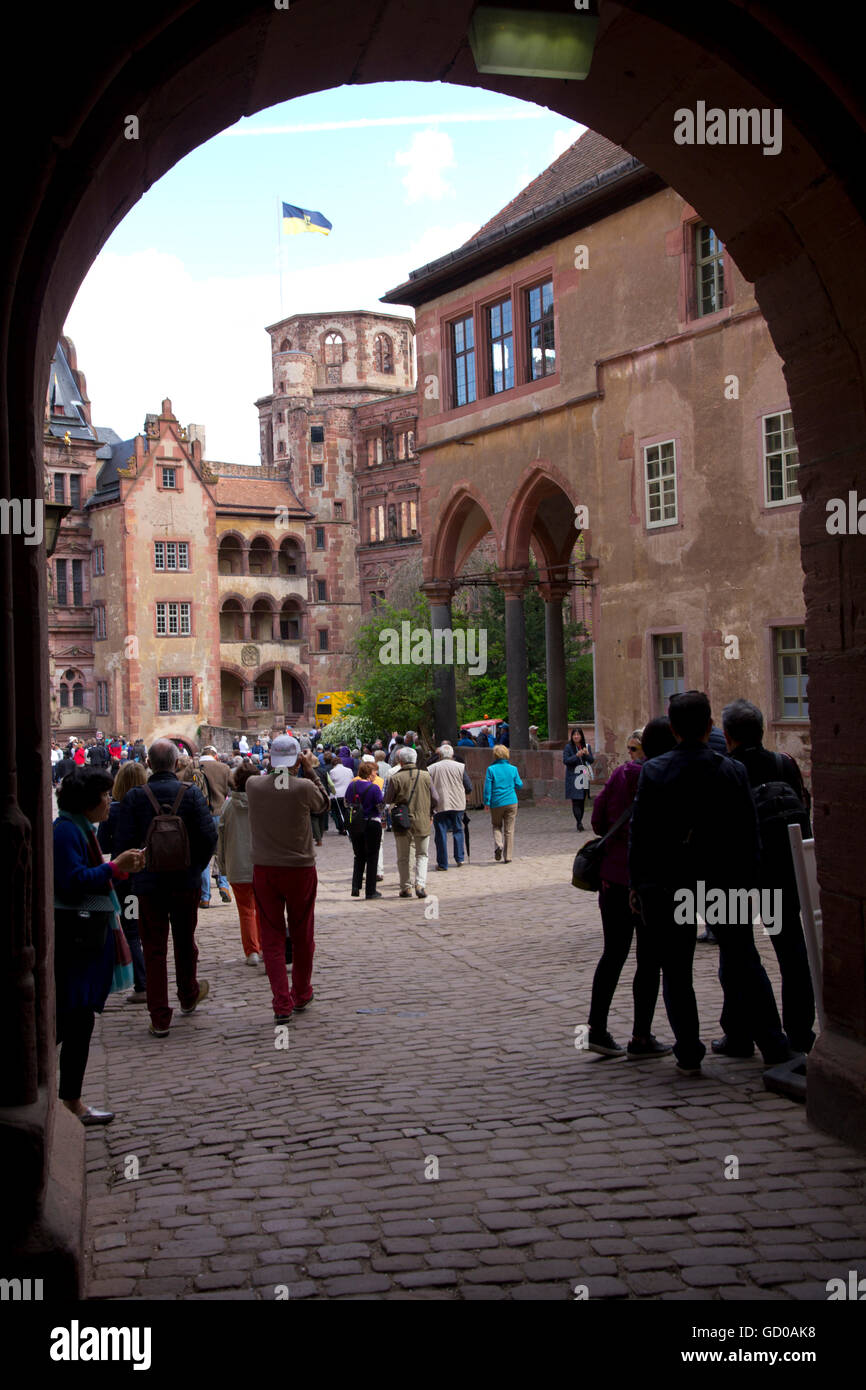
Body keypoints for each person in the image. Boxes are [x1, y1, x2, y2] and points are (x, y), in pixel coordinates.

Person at [629, 690, 792, 1076]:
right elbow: (747, 832)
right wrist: (750, 881)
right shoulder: (730, 770)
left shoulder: (654, 771)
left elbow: (643, 833)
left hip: (671, 881)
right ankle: (772, 1042)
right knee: (743, 958)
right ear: (709, 727)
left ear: (673, 728)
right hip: (724, 878)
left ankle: (688, 1048)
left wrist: (638, 883)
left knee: (677, 967)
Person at [720, 698, 816, 1055]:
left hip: (741, 874)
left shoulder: (726, 769)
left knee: (737, 957)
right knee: (792, 954)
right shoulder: (784, 763)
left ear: (728, 734)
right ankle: (801, 1032)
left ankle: (741, 1033)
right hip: (783, 869)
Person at [54, 768, 145, 1120]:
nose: (109, 801)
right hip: (76, 941)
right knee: (71, 1021)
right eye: (104, 796)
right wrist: (114, 868)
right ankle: (68, 1100)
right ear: (87, 801)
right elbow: (72, 882)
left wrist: (122, 867)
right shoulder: (66, 833)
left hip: (86, 938)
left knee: (78, 1022)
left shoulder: (78, 829)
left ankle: (71, 1099)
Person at [114, 738, 217, 1037]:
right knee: (186, 942)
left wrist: (138, 873)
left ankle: (159, 1016)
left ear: (149, 763)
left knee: (154, 949)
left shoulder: (134, 797)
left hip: (148, 885)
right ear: (175, 763)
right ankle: (187, 995)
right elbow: (209, 837)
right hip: (185, 883)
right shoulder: (192, 794)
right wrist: (194, 868)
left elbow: (123, 844)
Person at [586, 723, 672, 1059]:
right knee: (648, 959)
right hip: (649, 879)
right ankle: (641, 1035)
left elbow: (597, 821)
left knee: (613, 954)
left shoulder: (621, 774)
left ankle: (597, 1028)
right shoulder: (664, 776)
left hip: (612, 879)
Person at [246, 735, 330, 1023]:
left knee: (271, 936)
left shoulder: (254, 785)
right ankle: (302, 991)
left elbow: (262, 777)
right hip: (299, 867)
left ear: (270, 758)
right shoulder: (303, 787)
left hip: (265, 868)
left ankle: (281, 1002)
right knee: (302, 932)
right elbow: (324, 805)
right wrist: (309, 770)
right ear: (297, 759)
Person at [97, 759, 149, 1002]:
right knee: (146, 928)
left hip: (126, 879)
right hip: (150, 877)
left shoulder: (114, 810)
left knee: (131, 929)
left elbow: (104, 844)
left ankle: (142, 983)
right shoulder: (151, 805)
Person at [217, 762, 263, 966]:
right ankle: (265, 946)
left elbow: (221, 838)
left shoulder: (228, 806)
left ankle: (252, 951)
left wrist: (223, 867)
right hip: (262, 863)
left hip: (238, 864)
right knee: (264, 910)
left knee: (245, 910)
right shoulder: (265, 801)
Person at [386, 746, 437, 899]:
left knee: (403, 856)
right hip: (422, 819)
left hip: (402, 820)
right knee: (422, 854)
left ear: (400, 761)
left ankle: (405, 887)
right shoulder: (425, 776)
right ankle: (420, 884)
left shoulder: (395, 778)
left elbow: (388, 799)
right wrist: (430, 811)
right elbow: (436, 799)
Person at [344, 759, 385, 898]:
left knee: (359, 855)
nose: (376, 774)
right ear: (370, 773)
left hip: (356, 824)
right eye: (374, 771)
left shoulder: (352, 786)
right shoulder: (373, 788)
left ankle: (355, 886)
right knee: (372, 856)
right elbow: (380, 806)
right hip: (371, 823)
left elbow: (346, 802)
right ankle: (370, 890)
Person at [198, 746, 232, 908]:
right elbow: (234, 787)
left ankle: (205, 896)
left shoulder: (194, 768)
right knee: (221, 851)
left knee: (203, 856)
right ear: (215, 755)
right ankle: (223, 884)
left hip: (200, 815)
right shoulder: (223, 768)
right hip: (219, 812)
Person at [428, 743, 469, 870]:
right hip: (457, 803)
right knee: (458, 830)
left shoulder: (432, 768)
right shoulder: (460, 767)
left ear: (439, 754)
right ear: (452, 754)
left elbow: (428, 788)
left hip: (440, 803)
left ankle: (443, 863)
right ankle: (460, 858)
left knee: (440, 834)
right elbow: (468, 786)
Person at [483, 745, 522, 863]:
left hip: (496, 802)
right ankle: (508, 856)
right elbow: (519, 784)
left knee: (496, 825)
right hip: (511, 801)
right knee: (509, 830)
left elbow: (487, 788)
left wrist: (486, 802)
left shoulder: (491, 769)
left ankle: (499, 844)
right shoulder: (513, 769)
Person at [564, 726, 595, 830]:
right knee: (576, 800)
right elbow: (566, 761)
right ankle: (579, 822)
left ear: (581, 736)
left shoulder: (586, 746)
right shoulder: (568, 747)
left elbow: (591, 760)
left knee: (582, 799)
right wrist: (576, 755)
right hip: (573, 777)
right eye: (574, 734)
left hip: (584, 776)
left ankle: (580, 820)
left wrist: (586, 754)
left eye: (578, 734)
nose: (576, 736)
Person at [327, 752, 353, 833]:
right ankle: (348, 826)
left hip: (337, 795)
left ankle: (342, 828)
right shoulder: (349, 770)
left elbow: (330, 784)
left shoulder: (332, 771)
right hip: (347, 795)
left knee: (338, 812)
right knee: (347, 812)